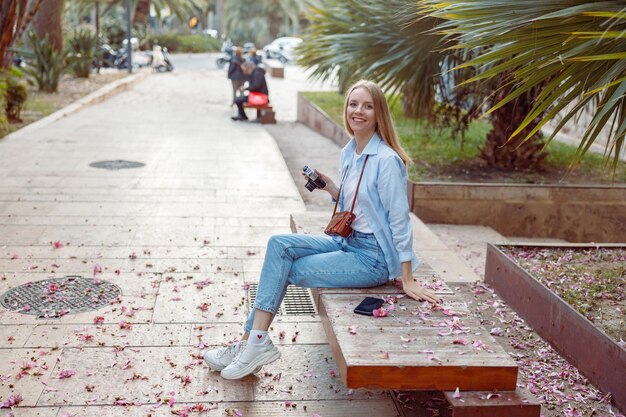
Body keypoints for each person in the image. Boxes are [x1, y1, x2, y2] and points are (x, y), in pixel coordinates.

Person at [206, 79, 440, 379]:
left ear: (379, 113)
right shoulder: (351, 152)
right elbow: (361, 205)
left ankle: (252, 343)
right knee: (279, 244)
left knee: (285, 269)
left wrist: (407, 277)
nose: (359, 111)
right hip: (348, 243)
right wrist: (331, 188)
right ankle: (251, 343)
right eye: (353, 104)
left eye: (368, 106)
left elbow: (400, 221)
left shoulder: (387, 161)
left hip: (374, 258)